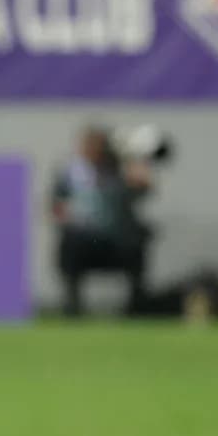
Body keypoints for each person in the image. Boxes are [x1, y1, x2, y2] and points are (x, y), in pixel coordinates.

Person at [50, 125, 153, 316]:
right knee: (69, 244)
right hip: (83, 240)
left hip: (115, 240)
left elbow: (142, 189)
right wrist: (67, 215)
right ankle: (72, 306)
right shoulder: (70, 173)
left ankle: (137, 306)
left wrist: (135, 161)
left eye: (98, 146)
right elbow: (55, 205)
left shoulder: (119, 172)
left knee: (136, 242)